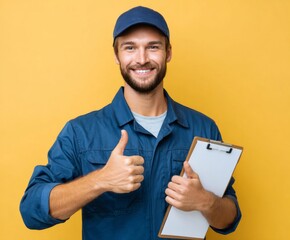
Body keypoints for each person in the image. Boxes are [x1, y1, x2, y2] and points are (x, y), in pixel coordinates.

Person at [20, 6, 241, 240]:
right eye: (130, 48)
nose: (142, 59)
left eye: (153, 47)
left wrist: (205, 202)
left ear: (168, 53)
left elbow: (229, 219)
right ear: (117, 56)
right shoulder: (81, 132)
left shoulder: (203, 128)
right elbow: (32, 211)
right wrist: (101, 180)